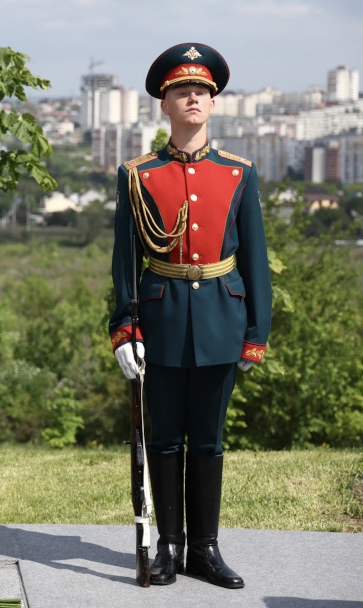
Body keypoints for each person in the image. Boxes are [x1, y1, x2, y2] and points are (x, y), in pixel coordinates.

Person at [108, 43, 271, 589]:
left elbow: (255, 260)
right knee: (163, 440)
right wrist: (124, 327)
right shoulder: (138, 175)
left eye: (201, 90)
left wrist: (256, 333)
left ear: (214, 101)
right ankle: (168, 548)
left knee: (208, 440)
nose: (192, 97)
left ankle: (204, 548)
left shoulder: (239, 174)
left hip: (223, 321)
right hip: (161, 321)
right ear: (164, 103)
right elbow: (125, 262)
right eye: (181, 90)